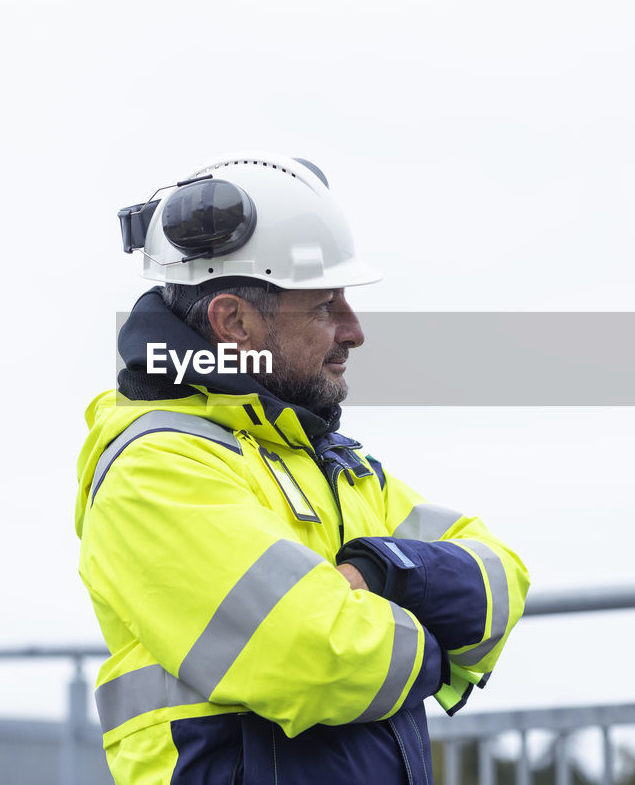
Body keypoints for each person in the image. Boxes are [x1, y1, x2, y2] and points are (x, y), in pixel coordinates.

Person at [74, 152, 529, 784]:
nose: (355, 330)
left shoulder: (324, 459)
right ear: (233, 321)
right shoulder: (154, 470)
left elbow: (501, 576)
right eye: (324, 306)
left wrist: (379, 574)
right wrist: (437, 635)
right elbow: (322, 658)